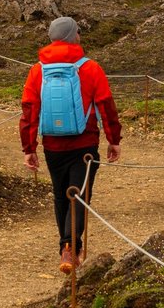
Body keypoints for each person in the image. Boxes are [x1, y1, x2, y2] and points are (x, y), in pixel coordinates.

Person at [19, 16, 121, 274]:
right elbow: (106, 106)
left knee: (61, 194)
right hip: (84, 145)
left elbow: (29, 111)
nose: (80, 37)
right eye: (78, 33)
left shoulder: (37, 70)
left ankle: (67, 246)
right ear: (73, 36)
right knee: (79, 195)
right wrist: (113, 140)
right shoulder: (90, 68)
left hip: (52, 146)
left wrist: (29, 148)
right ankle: (70, 247)